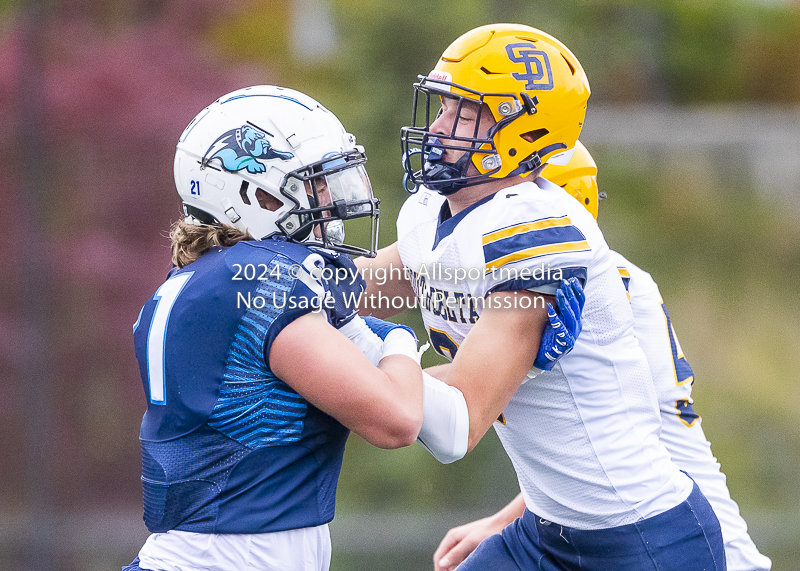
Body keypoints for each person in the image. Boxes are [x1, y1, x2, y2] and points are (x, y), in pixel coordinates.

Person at [123, 84, 583, 571]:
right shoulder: (265, 282)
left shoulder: (219, 278)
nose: (333, 198)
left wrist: (511, 349)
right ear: (249, 192)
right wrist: (399, 338)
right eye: (315, 183)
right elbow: (399, 418)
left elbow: (376, 373)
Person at [356, 23, 727, 570]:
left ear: (525, 129)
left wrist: (329, 373)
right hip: (548, 529)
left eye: (464, 111)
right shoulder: (441, 214)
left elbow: (457, 417)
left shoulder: (535, 228)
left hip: (641, 541)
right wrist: (255, 290)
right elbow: (356, 294)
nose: (437, 128)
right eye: (442, 107)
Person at [431, 142, 772, 571]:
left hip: (676, 539)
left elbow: (474, 391)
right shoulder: (540, 277)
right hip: (584, 529)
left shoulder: (599, 286)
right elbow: (584, 449)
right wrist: (504, 519)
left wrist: (368, 370)